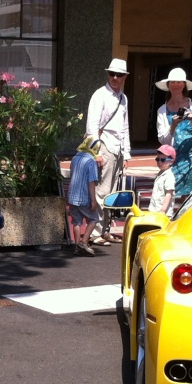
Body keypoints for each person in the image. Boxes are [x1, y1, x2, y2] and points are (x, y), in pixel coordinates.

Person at [86, 58, 131, 245]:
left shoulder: (123, 98)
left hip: (117, 148)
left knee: (112, 193)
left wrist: (127, 152)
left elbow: (125, 127)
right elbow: (92, 125)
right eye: (112, 74)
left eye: (119, 75)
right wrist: (96, 151)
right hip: (104, 145)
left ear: (124, 77)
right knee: (102, 191)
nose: (115, 77)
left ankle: (105, 230)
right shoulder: (99, 95)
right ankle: (96, 231)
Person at [155, 66, 192, 200]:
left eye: (179, 82)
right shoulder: (162, 110)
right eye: (173, 82)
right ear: (168, 85)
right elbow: (164, 141)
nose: (176, 85)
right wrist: (173, 126)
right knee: (173, 190)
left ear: (184, 85)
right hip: (174, 156)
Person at [66, 136, 103, 256]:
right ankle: (84, 242)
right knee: (93, 218)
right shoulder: (91, 161)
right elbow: (91, 182)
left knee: (76, 221)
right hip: (84, 196)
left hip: (72, 195)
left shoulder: (75, 158)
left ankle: (76, 246)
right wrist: (93, 200)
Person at [147, 144, 178, 218]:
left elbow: (169, 194)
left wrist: (163, 210)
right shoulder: (161, 173)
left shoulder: (169, 176)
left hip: (164, 213)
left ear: (171, 161)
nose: (159, 162)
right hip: (154, 210)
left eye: (163, 160)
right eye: (157, 159)